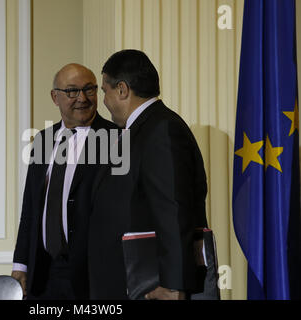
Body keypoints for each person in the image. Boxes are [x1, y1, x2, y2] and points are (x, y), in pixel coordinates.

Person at [88, 50, 208, 300]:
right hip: (125, 281)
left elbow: (173, 209)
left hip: (151, 286)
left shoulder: (161, 129)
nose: (104, 101)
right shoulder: (140, 130)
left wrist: (174, 285)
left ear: (122, 89)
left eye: (104, 91)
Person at [12, 63, 118, 300]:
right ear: (55, 97)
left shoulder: (116, 139)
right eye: (72, 91)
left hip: (92, 275)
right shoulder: (42, 140)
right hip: (44, 273)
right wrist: (21, 265)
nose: (82, 98)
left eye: (89, 89)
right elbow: (30, 208)